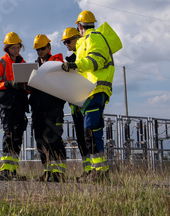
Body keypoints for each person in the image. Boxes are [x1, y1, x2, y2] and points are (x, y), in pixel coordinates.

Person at [61, 10, 119, 181]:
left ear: (79, 26)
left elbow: (96, 61)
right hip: (90, 92)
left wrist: (75, 66)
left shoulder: (93, 38)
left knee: (91, 132)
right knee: (92, 132)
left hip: (95, 90)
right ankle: (100, 170)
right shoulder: (87, 41)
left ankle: (99, 172)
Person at [0, 32, 29, 181]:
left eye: (18, 47)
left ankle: (13, 170)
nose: (16, 50)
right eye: (13, 48)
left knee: (18, 135)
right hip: (7, 103)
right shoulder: (0, 63)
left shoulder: (23, 63)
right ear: (7, 48)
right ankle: (6, 170)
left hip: (19, 102)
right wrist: (8, 83)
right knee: (9, 134)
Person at [29, 34, 67, 182]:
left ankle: (59, 173)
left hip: (54, 107)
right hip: (38, 108)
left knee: (54, 138)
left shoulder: (57, 62)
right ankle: (47, 170)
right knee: (41, 140)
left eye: (43, 48)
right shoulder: (33, 66)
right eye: (37, 49)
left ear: (49, 47)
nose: (40, 51)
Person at [61, 27, 91, 179]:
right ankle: (88, 170)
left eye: (68, 41)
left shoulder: (83, 57)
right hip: (75, 106)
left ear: (77, 38)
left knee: (89, 137)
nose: (66, 44)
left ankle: (95, 170)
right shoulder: (69, 61)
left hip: (87, 104)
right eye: (64, 42)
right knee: (80, 139)